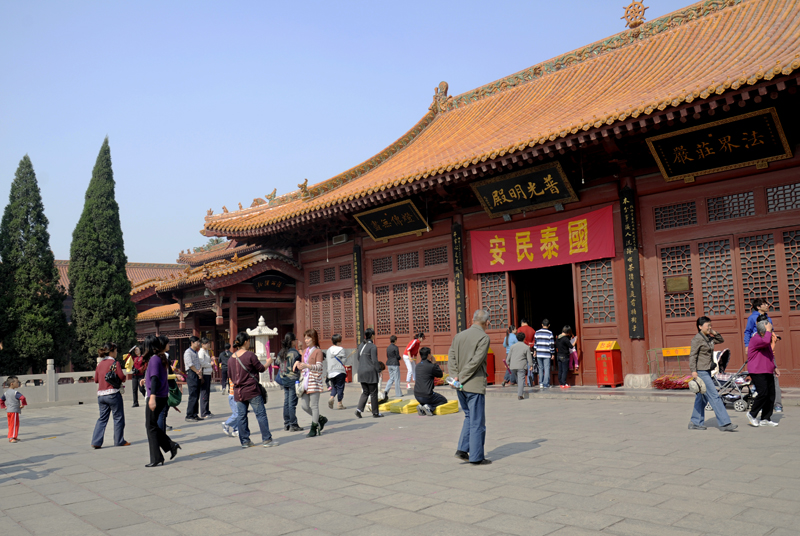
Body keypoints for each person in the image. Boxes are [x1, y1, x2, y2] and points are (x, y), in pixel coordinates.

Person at [449, 309, 491, 465]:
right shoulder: (483, 337)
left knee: (468, 416)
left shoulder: (459, 336)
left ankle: (462, 449)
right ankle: (476, 456)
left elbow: (451, 356)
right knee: (477, 420)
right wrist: (462, 376)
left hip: (460, 385)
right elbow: (476, 361)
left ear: (472, 320)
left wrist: (455, 376)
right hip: (473, 384)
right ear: (487, 322)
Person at [228, 331, 278, 448]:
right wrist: (268, 363)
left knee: (241, 416)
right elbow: (261, 369)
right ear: (246, 342)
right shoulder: (250, 355)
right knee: (260, 414)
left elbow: (230, 375)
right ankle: (267, 439)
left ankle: (245, 441)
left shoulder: (231, 359)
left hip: (238, 391)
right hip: (252, 390)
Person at [688, 316, 738, 432]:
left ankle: (695, 422)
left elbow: (720, 340)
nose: (709, 327)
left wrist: (714, 332)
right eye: (707, 326)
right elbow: (693, 355)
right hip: (701, 371)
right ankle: (725, 423)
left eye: (710, 325)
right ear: (700, 327)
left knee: (701, 398)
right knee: (714, 396)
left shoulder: (709, 338)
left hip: (707, 370)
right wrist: (693, 371)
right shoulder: (697, 339)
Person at [142, 335, 181, 466]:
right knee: (152, 425)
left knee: (150, 427)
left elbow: (154, 379)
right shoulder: (161, 358)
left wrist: (152, 397)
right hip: (162, 396)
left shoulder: (154, 359)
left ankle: (157, 457)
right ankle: (169, 447)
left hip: (156, 396)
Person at [743, 298, 783, 413]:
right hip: (758, 349)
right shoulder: (752, 318)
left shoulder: (768, 318)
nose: (767, 305)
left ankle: (777, 403)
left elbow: (770, 332)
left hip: (768, 350)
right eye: (764, 304)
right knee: (760, 378)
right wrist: (747, 345)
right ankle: (759, 405)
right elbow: (748, 332)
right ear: (758, 307)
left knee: (773, 377)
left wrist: (774, 336)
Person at [91, 342, 130, 449]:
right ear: (111, 352)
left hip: (101, 395)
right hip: (113, 394)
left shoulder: (100, 364)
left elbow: (96, 380)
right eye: (116, 351)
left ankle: (96, 441)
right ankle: (119, 440)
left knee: (102, 419)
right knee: (118, 417)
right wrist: (122, 378)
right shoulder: (115, 363)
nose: (116, 353)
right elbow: (122, 377)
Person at [746, 316, 779, 427]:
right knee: (763, 392)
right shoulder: (756, 339)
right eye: (768, 331)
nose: (770, 333)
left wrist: (774, 367)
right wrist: (768, 331)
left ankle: (765, 418)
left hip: (767, 370)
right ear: (761, 332)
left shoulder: (766, 340)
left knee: (771, 395)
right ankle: (752, 414)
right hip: (757, 371)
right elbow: (765, 342)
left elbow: (770, 354)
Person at [295, 329, 328, 436]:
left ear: (314, 339)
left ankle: (313, 428)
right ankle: (321, 418)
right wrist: (300, 366)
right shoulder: (305, 351)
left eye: (308, 338)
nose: (306, 340)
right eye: (305, 338)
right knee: (304, 406)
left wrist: (307, 366)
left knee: (314, 406)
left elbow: (319, 367)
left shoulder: (318, 351)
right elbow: (303, 365)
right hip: (305, 381)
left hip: (314, 380)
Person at [276, 332, 303, 431]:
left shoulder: (281, 352)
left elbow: (277, 363)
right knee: (292, 403)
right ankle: (293, 424)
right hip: (292, 379)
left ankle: (286, 423)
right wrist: (300, 349)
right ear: (292, 341)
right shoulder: (295, 353)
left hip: (284, 378)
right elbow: (300, 363)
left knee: (286, 402)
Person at [355, 328, 383, 419]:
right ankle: (375, 413)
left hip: (361, 371)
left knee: (365, 392)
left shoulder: (361, 345)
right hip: (370, 372)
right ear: (372, 336)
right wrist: (379, 370)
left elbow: (358, 358)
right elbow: (374, 361)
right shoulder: (373, 346)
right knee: (373, 392)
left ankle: (359, 410)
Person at [414, 347, 448, 415]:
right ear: (429, 355)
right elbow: (440, 374)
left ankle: (421, 406)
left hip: (417, 395)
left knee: (427, 397)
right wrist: (435, 363)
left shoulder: (417, 366)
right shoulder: (431, 366)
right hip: (427, 395)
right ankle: (429, 407)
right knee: (443, 400)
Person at [506, 332, 534, 399]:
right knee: (521, 380)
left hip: (513, 366)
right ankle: (520, 395)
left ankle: (520, 390)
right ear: (524, 338)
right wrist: (531, 365)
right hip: (521, 366)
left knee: (518, 379)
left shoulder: (512, 347)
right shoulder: (526, 347)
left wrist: (507, 364)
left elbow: (508, 357)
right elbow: (529, 358)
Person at [183, 336, 203, 422]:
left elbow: (198, 363)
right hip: (191, 374)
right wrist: (197, 372)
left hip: (196, 373)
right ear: (192, 343)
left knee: (197, 395)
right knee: (193, 395)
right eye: (197, 342)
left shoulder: (195, 352)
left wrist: (199, 372)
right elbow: (190, 364)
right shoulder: (188, 352)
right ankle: (189, 415)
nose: (198, 343)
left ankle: (195, 414)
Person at [1, 376, 27, 443]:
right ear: (12, 383)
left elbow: (1, 400)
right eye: (17, 382)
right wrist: (23, 404)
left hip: (9, 411)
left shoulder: (6, 393)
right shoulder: (15, 392)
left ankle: (14, 436)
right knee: (14, 424)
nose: (18, 383)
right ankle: (11, 437)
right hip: (14, 411)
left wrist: (4, 406)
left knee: (11, 424)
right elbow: (23, 398)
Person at [327, 334, 348, 410]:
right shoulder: (341, 349)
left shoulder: (328, 350)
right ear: (338, 341)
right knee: (340, 387)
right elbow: (344, 361)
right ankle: (339, 403)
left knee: (334, 386)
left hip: (331, 372)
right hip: (339, 371)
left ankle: (331, 397)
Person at [534, 319, 555, 389]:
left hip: (539, 353)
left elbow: (535, 343)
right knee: (546, 368)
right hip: (546, 353)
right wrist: (552, 353)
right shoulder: (550, 333)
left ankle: (541, 383)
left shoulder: (537, 332)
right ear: (549, 325)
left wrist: (535, 352)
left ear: (542, 324)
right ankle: (546, 384)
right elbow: (551, 344)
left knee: (540, 368)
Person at [198, 337, 214, 418]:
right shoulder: (201, 352)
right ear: (203, 344)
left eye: (208, 343)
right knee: (204, 393)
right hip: (204, 373)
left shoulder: (207, 351)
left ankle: (207, 410)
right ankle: (203, 412)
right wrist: (210, 364)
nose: (208, 344)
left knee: (207, 393)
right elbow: (201, 363)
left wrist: (211, 360)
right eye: (207, 343)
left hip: (208, 373)